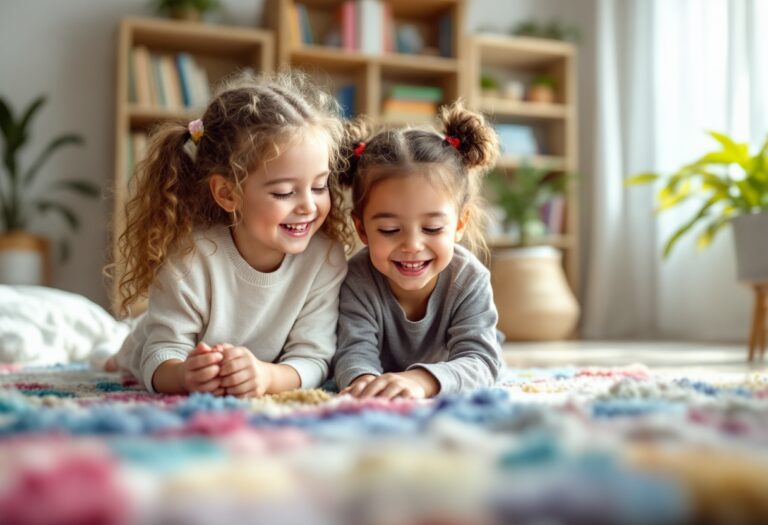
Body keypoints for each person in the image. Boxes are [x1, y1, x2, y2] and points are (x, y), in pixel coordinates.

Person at [106, 72, 353, 397]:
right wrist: (183, 376)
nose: (308, 205)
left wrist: (266, 377)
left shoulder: (325, 257)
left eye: (319, 186)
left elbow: (315, 359)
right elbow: (161, 353)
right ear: (227, 194)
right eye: (284, 192)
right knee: (119, 358)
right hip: (153, 344)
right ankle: (113, 352)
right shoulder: (190, 256)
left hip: (256, 363)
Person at [333, 101, 504, 399]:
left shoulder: (469, 278)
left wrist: (421, 381)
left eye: (432, 228)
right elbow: (353, 352)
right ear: (361, 228)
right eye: (389, 230)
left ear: (460, 224)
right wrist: (365, 382)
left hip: (448, 370)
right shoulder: (357, 279)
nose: (412, 245)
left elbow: (482, 362)